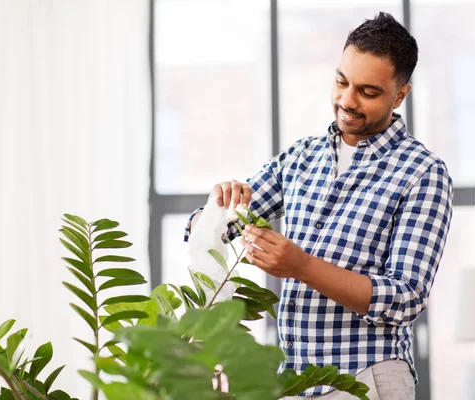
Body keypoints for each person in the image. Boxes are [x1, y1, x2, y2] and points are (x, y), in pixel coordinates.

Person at [184, 12, 453, 400]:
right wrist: (217, 206)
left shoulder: (422, 172)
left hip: (365, 377)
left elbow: (405, 298)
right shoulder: (301, 158)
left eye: (368, 91)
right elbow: (218, 226)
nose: (347, 100)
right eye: (341, 81)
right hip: (294, 383)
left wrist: (302, 267)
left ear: (400, 95)